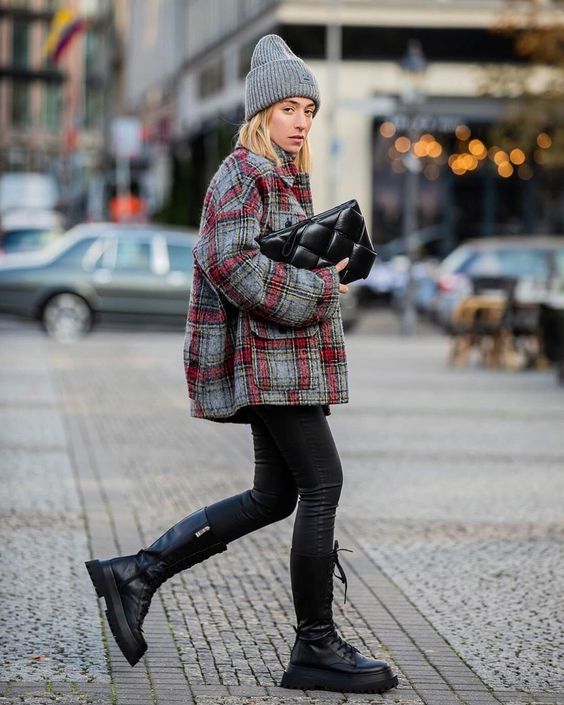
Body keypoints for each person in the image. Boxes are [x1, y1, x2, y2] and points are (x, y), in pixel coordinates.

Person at [85, 34, 398, 695]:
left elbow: (265, 259)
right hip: (271, 362)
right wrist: (321, 287)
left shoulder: (280, 176)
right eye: (289, 108)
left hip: (284, 361)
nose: (302, 121)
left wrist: (326, 268)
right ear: (261, 112)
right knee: (323, 482)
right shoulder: (242, 173)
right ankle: (314, 645)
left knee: (275, 494)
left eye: (309, 110)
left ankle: (138, 572)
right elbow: (230, 263)